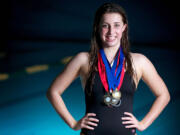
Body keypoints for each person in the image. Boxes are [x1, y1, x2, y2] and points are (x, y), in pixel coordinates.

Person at [46, 2, 170, 135]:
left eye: (117, 25)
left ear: (124, 28)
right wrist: (73, 123)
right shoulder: (83, 60)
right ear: (97, 28)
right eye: (105, 26)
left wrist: (143, 123)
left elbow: (164, 95)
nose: (111, 31)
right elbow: (53, 91)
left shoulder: (139, 62)